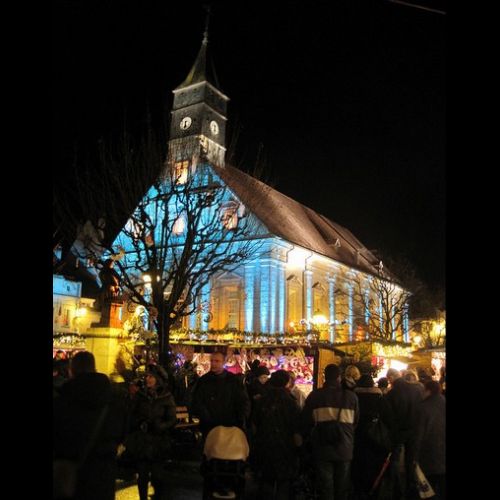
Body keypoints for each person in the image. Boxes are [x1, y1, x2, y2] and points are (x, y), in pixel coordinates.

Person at [53, 351, 127, 500]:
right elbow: (123, 431)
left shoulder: (63, 399)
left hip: (72, 476)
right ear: (94, 368)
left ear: (72, 370)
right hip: (103, 474)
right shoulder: (114, 400)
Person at [301, 363, 359, 500]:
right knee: (342, 487)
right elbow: (355, 422)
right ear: (339, 377)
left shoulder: (315, 396)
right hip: (344, 446)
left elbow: (306, 421)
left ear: (324, 377)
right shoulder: (351, 397)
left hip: (322, 447)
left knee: (325, 487)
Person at [124, 364, 177, 500]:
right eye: (146, 376)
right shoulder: (140, 396)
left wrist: (160, 426)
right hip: (143, 442)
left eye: (151, 377)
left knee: (157, 476)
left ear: (158, 379)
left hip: (159, 442)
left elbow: (172, 419)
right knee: (142, 475)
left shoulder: (166, 397)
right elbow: (131, 415)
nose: (148, 379)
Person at [252, 370, 301, 499]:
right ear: (286, 382)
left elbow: (255, 423)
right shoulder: (291, 402)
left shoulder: (262, 400)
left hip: (265, 445)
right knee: (283, 483)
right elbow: (296, 426)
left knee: (266, 481)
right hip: (285, 447)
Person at [190, 351, 251, 438]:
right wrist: (205, 417)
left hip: (231, 426)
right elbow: (197, 401)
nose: (213, 363)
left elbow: (243, 401)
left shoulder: (233, 381)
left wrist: (241, 419)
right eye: (212, 361)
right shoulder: (203, 381)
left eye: (217, 361)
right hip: (209, 426)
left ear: (223, 362)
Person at [414, 380, 445, 499]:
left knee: (428, 490)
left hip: (428, 455)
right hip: (443, 455)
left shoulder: (422, 408)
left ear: (428, 391)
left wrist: (414, 457)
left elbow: (418, 435)